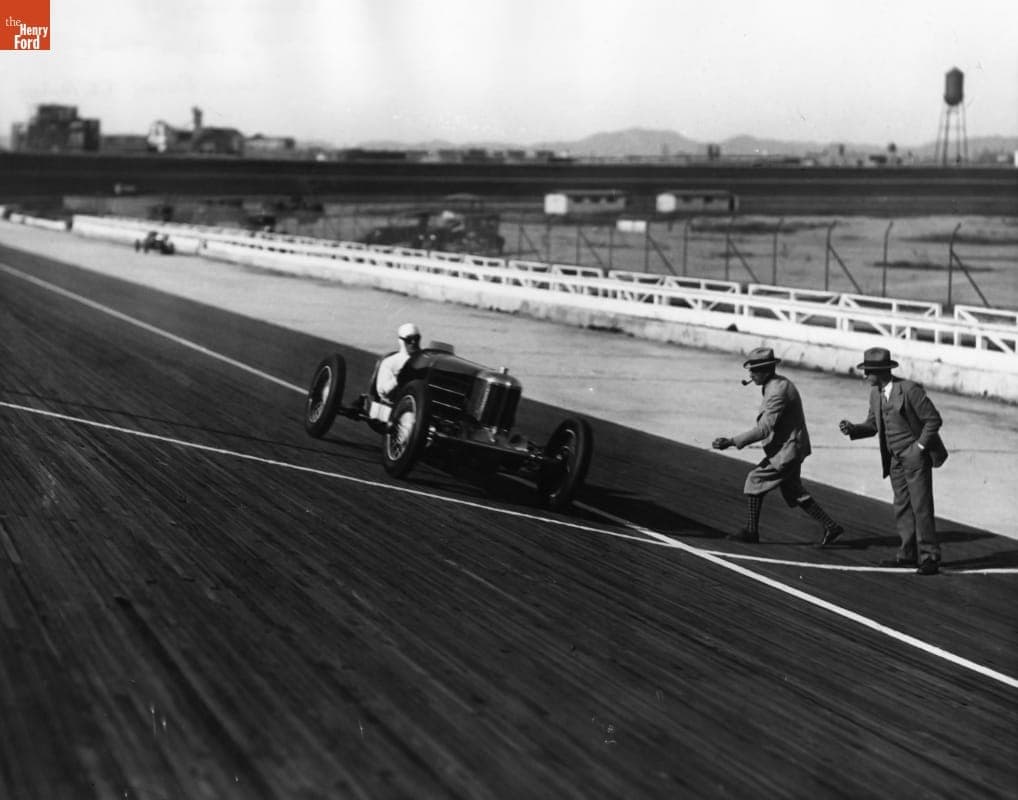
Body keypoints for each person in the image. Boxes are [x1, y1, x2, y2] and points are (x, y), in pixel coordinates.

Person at [712, 347, 844, 545]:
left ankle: (751, 531)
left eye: (754, 371)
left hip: (787, 450)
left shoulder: (777, 392)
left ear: (766, 371)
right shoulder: (776, 384)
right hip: (792, 447)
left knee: (754, 480)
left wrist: (732, 441)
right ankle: (831, 526)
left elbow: (764, 429)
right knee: (793, 489)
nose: (750, 375)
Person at [838, 347, 947, 576]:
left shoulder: (909, 390)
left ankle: (929, 557)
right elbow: (873, 425)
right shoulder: (876, 393)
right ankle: (908, 554)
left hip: (914, 457)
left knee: (921, 507)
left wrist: (919, 448)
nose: (865, 376)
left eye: (868, 372)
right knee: (902, 506)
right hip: (894, 459)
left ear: (881, 371)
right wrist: (853, 429)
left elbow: (933, 420)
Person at [375, 323, 422, 401]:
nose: (413, 342)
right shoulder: (390, 362)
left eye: (416, 338)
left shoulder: (425, 360)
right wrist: (398, 379)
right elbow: (383, 391)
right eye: (409, 340)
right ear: (401, 341)